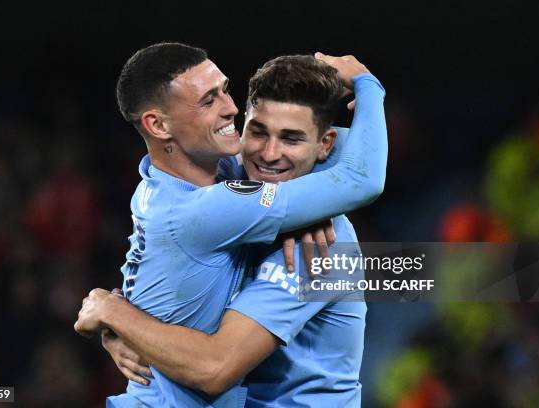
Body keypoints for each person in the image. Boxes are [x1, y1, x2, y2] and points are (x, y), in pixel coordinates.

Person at [75, 42, 387, 407]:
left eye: (291, 138)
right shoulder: (219, 197)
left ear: (325, 145)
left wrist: (115, 314)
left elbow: (215, 366)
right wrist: (117, 319)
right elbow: (358, 169)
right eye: (257, 131)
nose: (268, 154)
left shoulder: (320, 245)